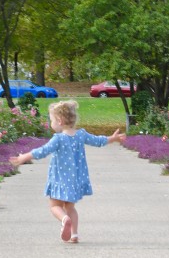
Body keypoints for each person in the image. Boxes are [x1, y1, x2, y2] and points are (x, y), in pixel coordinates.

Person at [9, 100, 126, 243]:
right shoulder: (81, 135)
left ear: (60, 120)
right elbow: (97, 141)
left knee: (55, 206)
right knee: (70, 207)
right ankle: (74, 234)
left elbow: (42, 151)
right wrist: (112, 139)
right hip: (75, 181)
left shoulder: (58, 139)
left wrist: (24, 157)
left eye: (51, 120)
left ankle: (64, 220)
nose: (51, 123)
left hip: (59, 180)